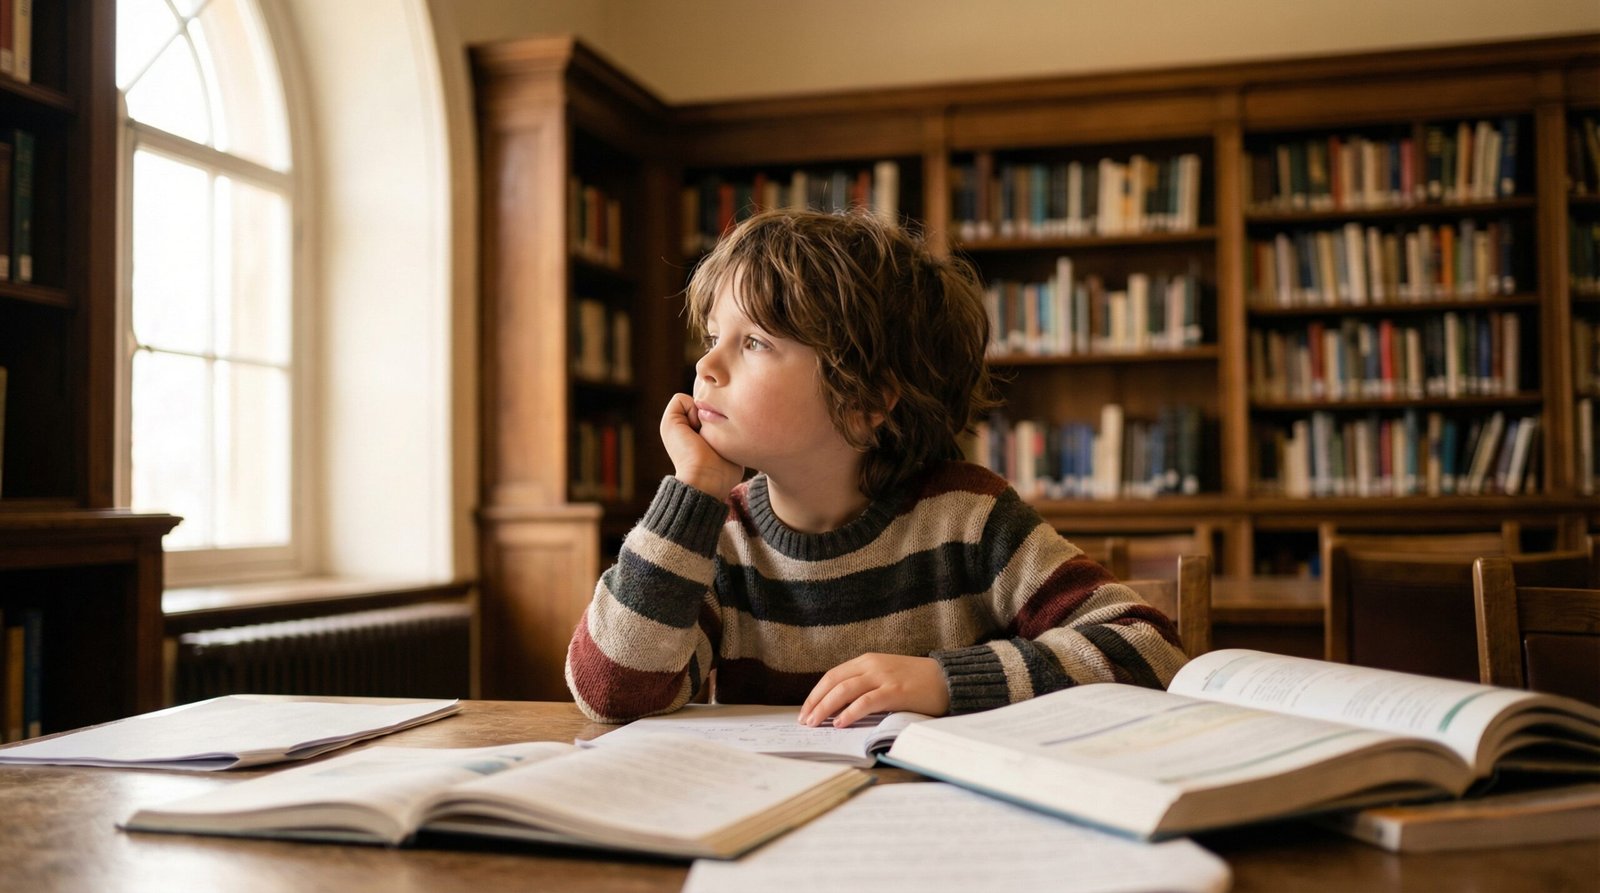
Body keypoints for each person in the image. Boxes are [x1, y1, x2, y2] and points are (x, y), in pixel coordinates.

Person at [565, 208, 1188, 727]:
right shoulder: (715, 539)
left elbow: (1148, 648)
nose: (706, 366)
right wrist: (692, 493)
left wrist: (946, 682)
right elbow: (613, 693)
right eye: (711, 336)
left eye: (753, 342)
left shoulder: (966, 519)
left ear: (865, 404)